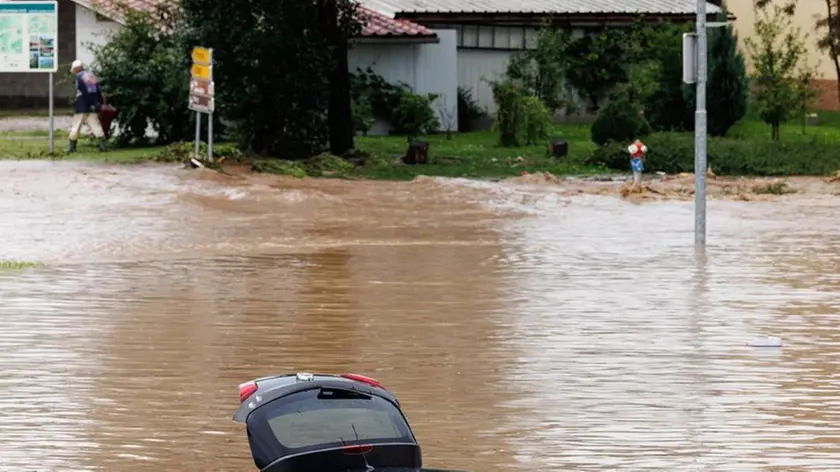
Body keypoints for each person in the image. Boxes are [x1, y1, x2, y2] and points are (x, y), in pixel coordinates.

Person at [68, 60, 106, 152]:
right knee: (96, 126)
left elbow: (83, 92)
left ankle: (72, 148)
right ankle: (102, 147)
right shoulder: (91, 75)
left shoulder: (79, 77)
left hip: (82, 106)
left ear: (77, 68)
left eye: (74, 70)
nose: (74, 72)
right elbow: (97, 91)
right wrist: (98, 104)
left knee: (76, 126)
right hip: (93, 105)